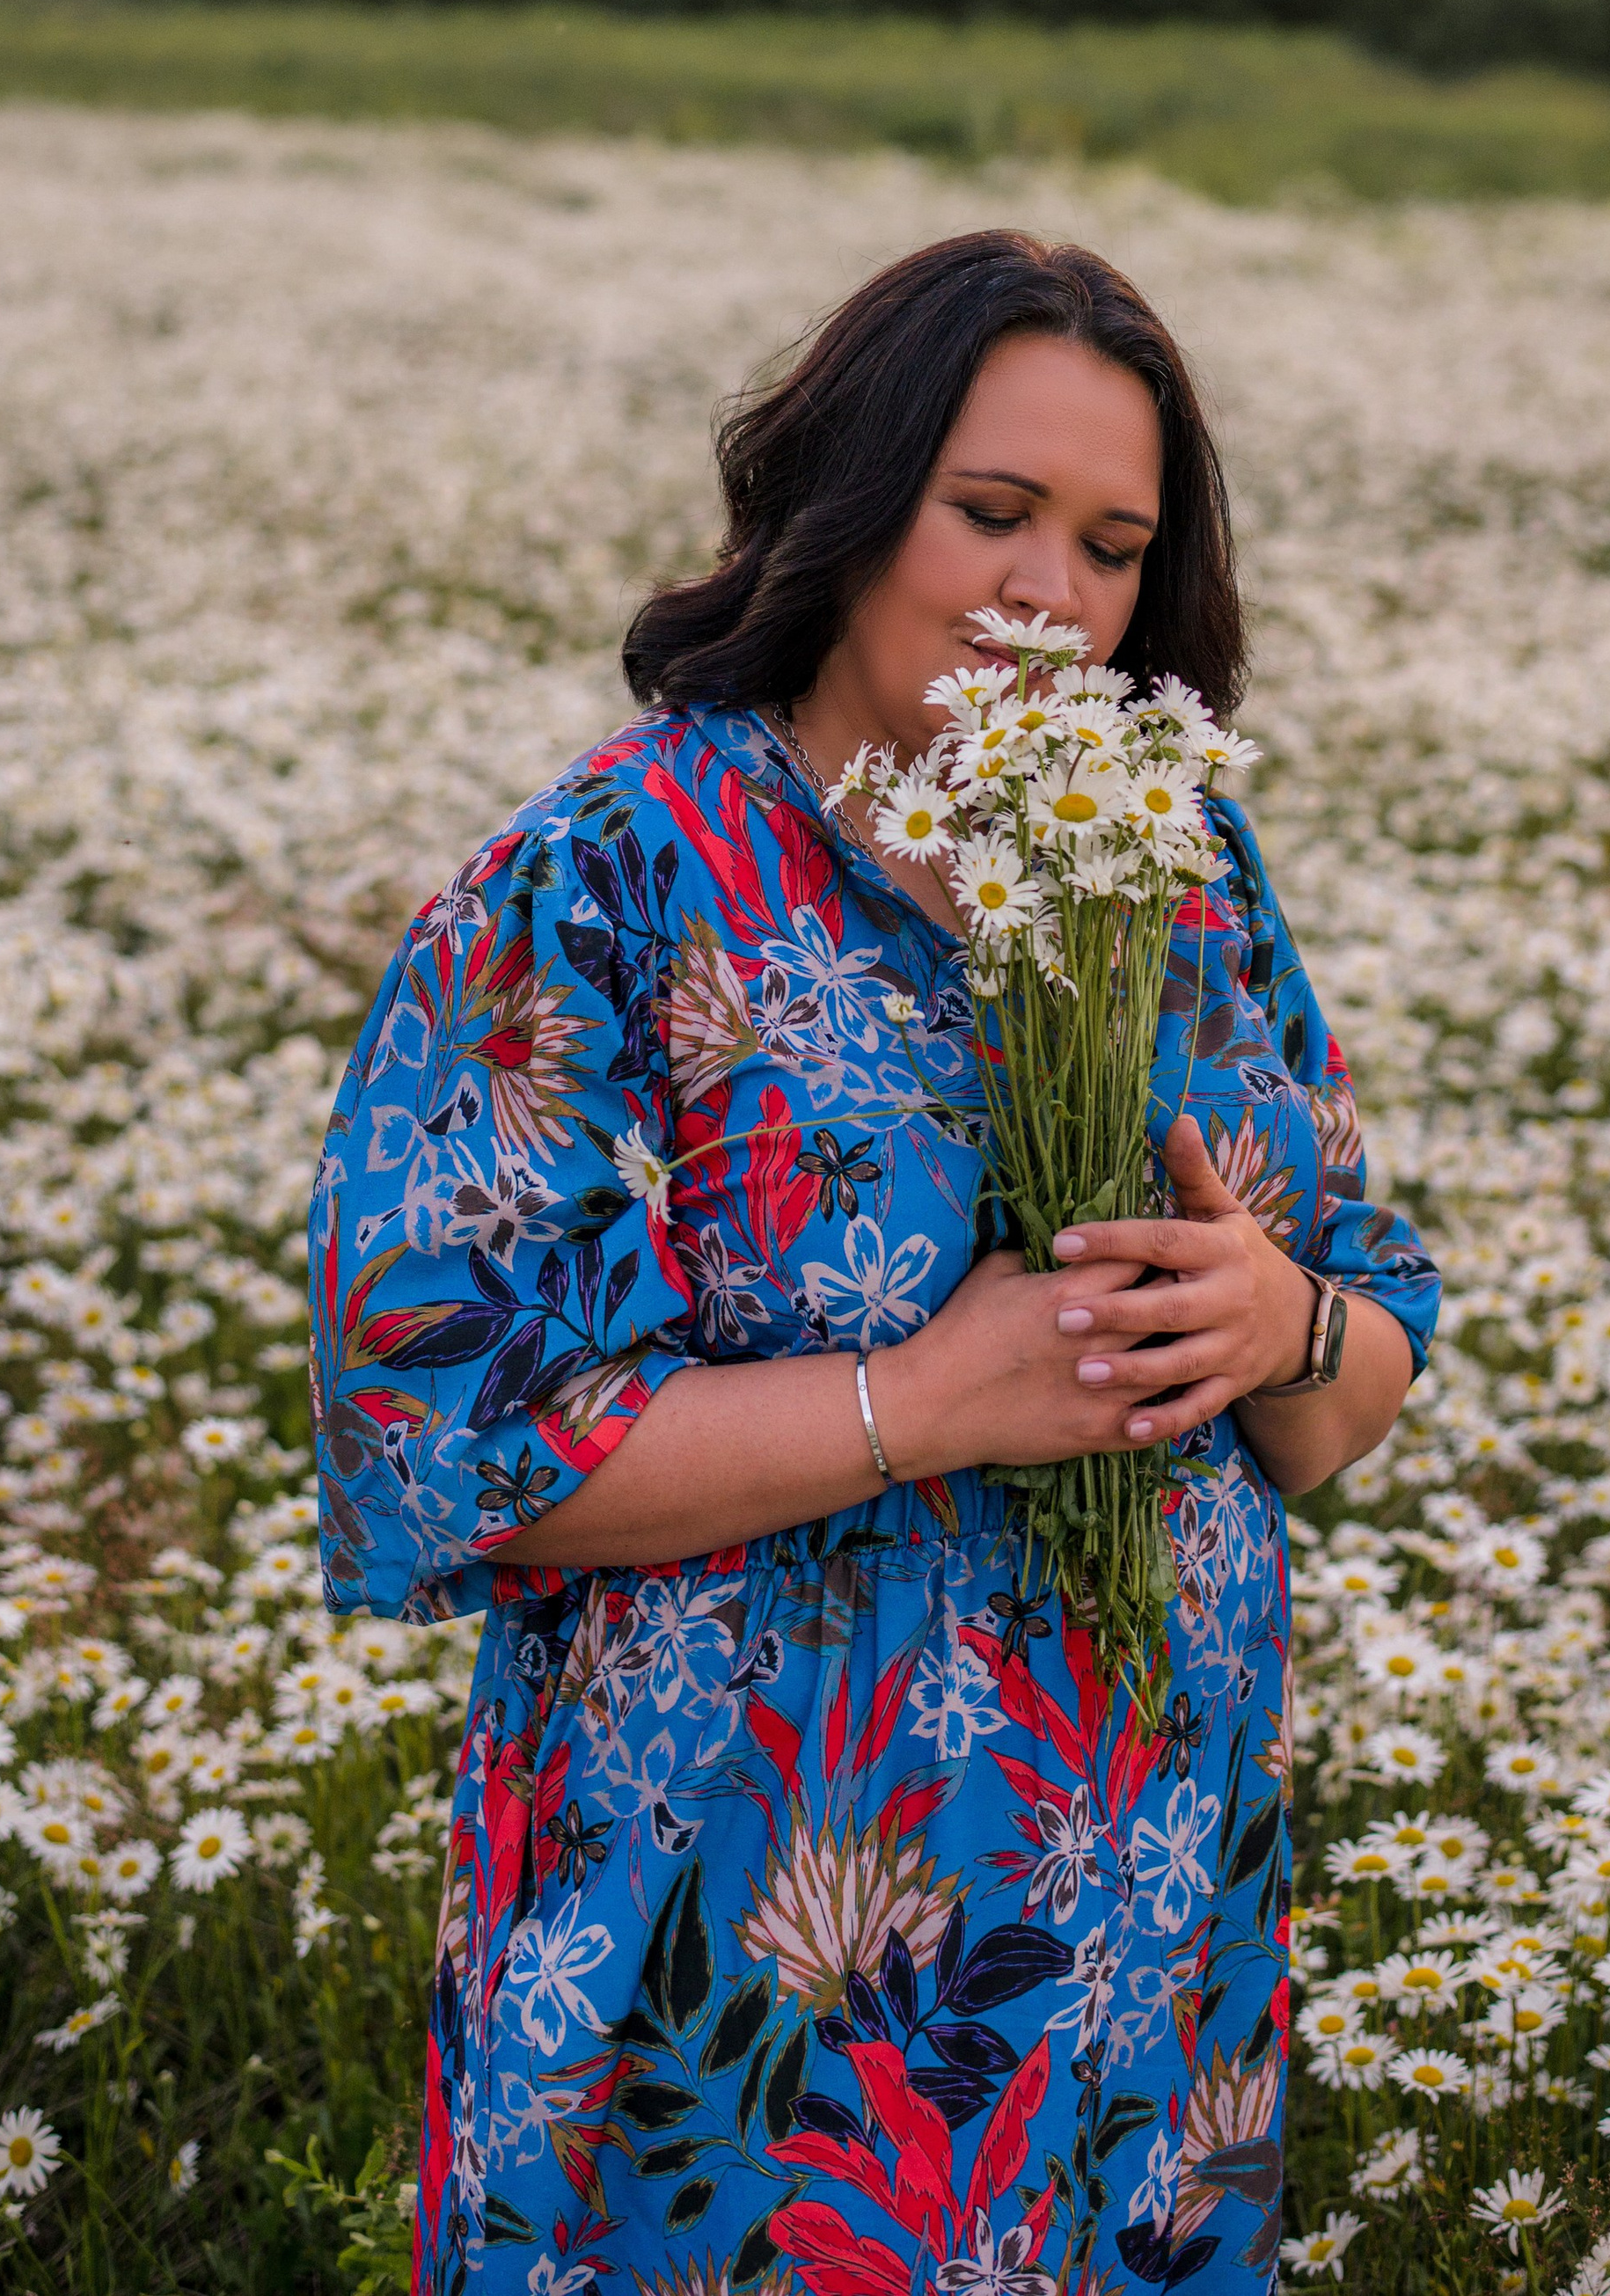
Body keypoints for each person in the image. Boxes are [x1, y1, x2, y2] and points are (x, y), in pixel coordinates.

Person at [309, 229, 1440, 2296]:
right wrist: (919, 1400)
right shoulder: (608, 879)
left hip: (1132, 1930)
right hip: (743, 1956)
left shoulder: (1174, 866)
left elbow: (1354, 1383)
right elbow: (447, 1429)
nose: (1048, 596)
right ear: (844, 504)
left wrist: (1276, 1317)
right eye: (989, 512)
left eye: (1110, 549)